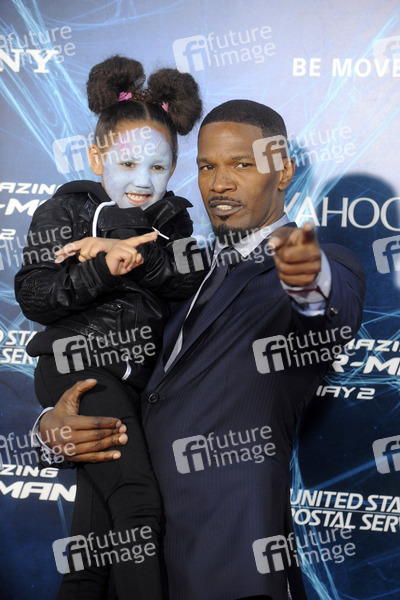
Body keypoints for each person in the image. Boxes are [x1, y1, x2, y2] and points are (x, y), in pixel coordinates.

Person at [33, 100, 365, 600]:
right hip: (128, 565)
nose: (219, 184)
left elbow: (327, 305)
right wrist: (51, 429)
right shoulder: (176, 269)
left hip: (229, 562)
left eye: (241, 164)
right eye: (207, 167)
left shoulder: (321, 263)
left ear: (283, 171)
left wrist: (304, 272)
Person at [14, 55, 203, 600]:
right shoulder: (65, 210)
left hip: (135, 386)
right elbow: (34, 296)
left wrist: (129, 247)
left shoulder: (175, 219)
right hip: (78, 370)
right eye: (127, 163)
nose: (142, 182)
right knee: (137, 506)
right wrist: (100, 267)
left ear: (174, 166)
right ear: (97, 156)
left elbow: (187, 279)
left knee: (93, 543)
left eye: (158, 168)